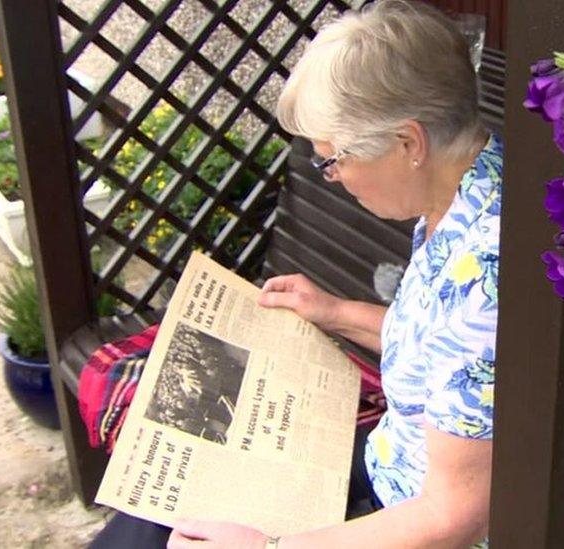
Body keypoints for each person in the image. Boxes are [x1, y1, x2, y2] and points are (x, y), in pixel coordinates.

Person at [91, 1, 499, 547]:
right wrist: (335, 312)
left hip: (406, 516)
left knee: (165, 532)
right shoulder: (467, 188)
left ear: (409, 143)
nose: (332, 177)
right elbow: (447, 355)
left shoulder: (484, 275)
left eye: (335, 159)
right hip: (387, 467)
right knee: (155, 517)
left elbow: (454, 519)